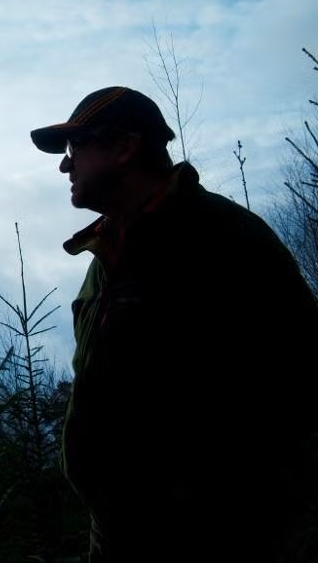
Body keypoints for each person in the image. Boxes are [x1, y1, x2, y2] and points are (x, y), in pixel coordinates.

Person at [31, 86, 318, 562]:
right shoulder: (104, 259)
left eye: (75, 146)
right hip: (118, 533)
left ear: (124, 147)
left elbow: (302, 390)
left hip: (217, 536)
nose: (65, 164)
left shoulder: (224, 240)